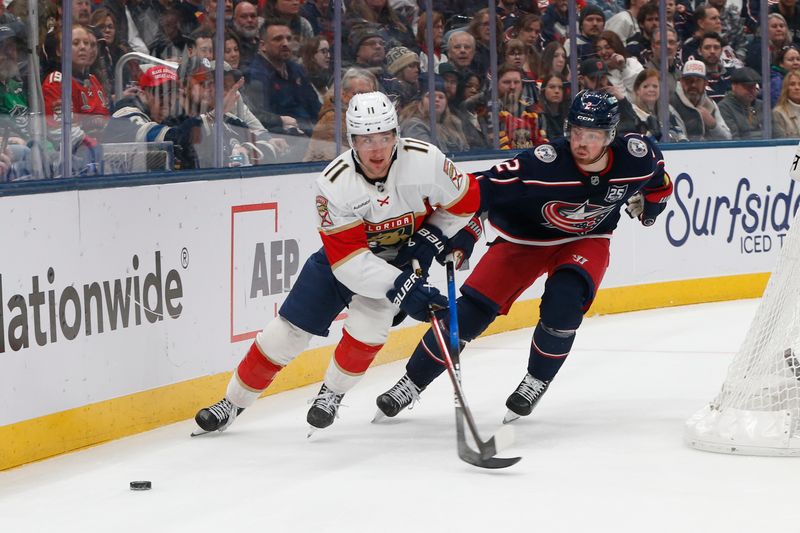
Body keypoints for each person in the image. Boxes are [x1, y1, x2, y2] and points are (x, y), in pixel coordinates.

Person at [373, 90, 673, 425]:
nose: (581, 143)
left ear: (610, 135)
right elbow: (479, 191)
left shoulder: (637, 156)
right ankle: (411, 382)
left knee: (564, 302)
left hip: (587, 239)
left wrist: (652, 208)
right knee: (470, 313)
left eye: (592, 135)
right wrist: (465, 233)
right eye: (576, 132)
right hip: (524, 240)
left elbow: (659, 181)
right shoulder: (542, 163)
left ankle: (536, 380)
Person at [194, 91, 480, 434]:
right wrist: (403, 288)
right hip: (339, 264)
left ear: (396, 134)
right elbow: (349, 262)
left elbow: (467, 199)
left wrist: (432, 236)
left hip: (398, 262)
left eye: (384, 137)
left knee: (368, 333)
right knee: (284, 335)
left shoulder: (425, 161)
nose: (377, 149)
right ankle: (231, 403)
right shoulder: (334, 183)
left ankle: (331, 394)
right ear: (352, 140)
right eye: (366, 140)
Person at [670, 59, 731, 141]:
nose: (693, 85)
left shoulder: (710, 104)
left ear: (705, 83)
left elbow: (727, 138)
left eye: (698, 80)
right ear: (681, 82)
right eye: (689, 80)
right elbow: (679, 142)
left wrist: (713, 125)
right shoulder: (671, 104)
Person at [630, 68, 688, 142]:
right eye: (646, 86)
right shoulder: (631, 113)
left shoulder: (668, 112)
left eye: (655, 86)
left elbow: (681, 136)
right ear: (637, 90)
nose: (651, 90)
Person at [718, 67, 764, 140]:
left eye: (754, 86)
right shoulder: (724, 107)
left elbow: (775, 133)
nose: (752, 90)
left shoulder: (762, 106)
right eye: (747, 87)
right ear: (734, 86)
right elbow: (734, 138)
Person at [773, 69, 800, 137]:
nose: (797, 88)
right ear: (786, 88)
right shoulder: (778, 112)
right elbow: (781, 140)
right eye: (792, 84)